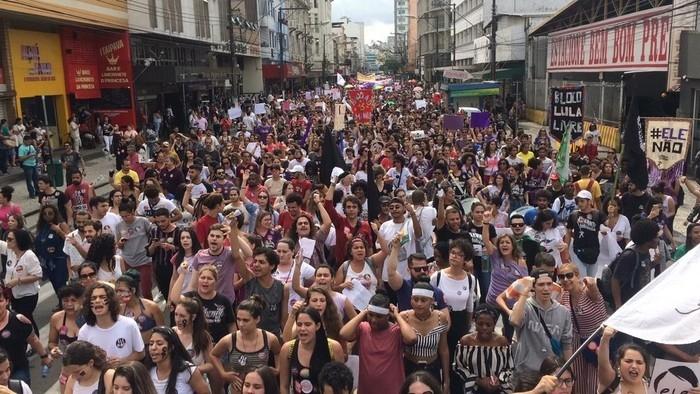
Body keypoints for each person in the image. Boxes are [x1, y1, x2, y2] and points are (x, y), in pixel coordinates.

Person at [340, 292, 417, 394]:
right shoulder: (363, 328)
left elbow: (412, 338)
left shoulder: (396, 331)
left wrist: (397, 316)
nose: (373, 320)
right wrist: (363, 312)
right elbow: (343, 334)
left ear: (387, 316)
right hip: (366, 390)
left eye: (379, 316)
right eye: (371, 315)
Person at [509, 271, 573, 391]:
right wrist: (525, 292)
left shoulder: (563, 312)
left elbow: (567, 345)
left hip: (551, 374)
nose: (546, 289)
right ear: (534, 286)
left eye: (549, 284)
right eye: (541, 284)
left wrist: (570, 373)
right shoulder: (524, 306)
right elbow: (515, 321)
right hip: (526, 373)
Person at [210, 296, 281, 394]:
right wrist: (223, 374)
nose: (241, 324)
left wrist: (278, 369)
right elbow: (213, 355)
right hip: (236, 390)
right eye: (238, 319)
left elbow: (278, 352)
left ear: (257, 319)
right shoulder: (230, 339)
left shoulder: (269, 338)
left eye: (246, 320)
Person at [557, 264, 608, 394]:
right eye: (561, 277)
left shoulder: (588, 291)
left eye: (569, 275)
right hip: (576, 342)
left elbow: (594, 290)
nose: (565, 279)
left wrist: (592, 284)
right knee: (577, 380)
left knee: (594, 381)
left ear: (577, 275)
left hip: (595, 340)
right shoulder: (564, 295)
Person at [77, 283, 145, 367]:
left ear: (111, 301)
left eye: (102, 297)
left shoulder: (129, 324)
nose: (97, 301)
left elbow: (141, 353)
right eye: (93, 298)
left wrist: (123, 361)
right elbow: (83, 362)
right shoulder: (84, 332)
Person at [279, 306, 345, 394]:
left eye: (307, 324)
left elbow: (342, 385)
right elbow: (284, 386)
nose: (302, 329)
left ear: (317, 326)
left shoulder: (333, 347)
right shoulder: (287, 349)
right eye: (299, 324)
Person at [399, 282, 449, 389]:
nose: (419, 303)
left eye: (423, 300)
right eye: (415, 299)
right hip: (409, 368)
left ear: (432, 301)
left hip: (433, 368)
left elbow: (443, 350)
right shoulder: (404, 317)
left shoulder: (441, 318)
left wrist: (446, 380)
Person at [454, 304, 513, 393]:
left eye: (488, 325)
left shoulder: (502, 342)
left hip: (498, 389)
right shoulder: (466, 341)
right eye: (480, 324)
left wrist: (499, 380)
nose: (484, 328)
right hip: (473, 389)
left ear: (494, 324)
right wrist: (478, 381)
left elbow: (510, 367)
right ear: (475, 322)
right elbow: (458, 367)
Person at [235, 242, 289, 337]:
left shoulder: (282, 288)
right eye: (255, 261)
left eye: (261, 262)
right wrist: (233, 231)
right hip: (249, 336)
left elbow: (283, 320)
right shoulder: (249, 278)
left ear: (272, 266)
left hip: (272, 338)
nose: (256, 265)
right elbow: (236, 256)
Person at [171, 265, 235, 343]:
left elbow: (231, 325)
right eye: (202, 278)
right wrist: (182, 274)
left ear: (215, 281)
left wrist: (233, 344)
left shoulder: (224, 301)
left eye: (209, 278)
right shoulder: (191, 297)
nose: (205, 281)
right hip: (195, 345)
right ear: (198, 280)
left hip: (219, 346)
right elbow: (174, 298)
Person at [610, 219, 661, 311]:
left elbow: (642, 269)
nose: (658, 240)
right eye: (656, 237)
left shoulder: (645, 252)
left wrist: (654, 263)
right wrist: (618, 305)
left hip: (638, 299)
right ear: (647, 240)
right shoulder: (629, 256)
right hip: (627, 301)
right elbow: (615, 280)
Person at [1, 229, 42, 337]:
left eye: (10, 239)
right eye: (6, 238)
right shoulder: (10, 251)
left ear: (19, 241)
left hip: (28, 294)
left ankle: (34, 339)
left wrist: (18, 281)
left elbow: (37, 275)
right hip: (14, 294)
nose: (7, 241)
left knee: (26, 317)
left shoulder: (29, 256)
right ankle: (26, 339)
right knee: (19, 317)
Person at [145, 326, 210, 394]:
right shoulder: (147, 372)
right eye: (151, 344)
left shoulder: (188, 371)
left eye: (159, 344)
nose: (153, 348)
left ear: (171, 347)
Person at [116, 200, 155, 300]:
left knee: (146, 290)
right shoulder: (119, 226)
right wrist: (120, 243)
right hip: (128, 261)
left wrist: (150, 248)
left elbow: (152, 235)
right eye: (122, 216)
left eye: (127, 215)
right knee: (131, 290)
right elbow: (118, 245)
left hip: (144, 259)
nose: (125, 219)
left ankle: (150, 310)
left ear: (133, 212)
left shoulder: (143, 221)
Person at [47, 284, 83, 390]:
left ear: (81, 300)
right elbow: (51, 342)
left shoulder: (90, 317)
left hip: (89, 368)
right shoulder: (56, 318)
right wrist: (54, 349)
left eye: (73, 300)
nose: (69, 304)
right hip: (67, 369)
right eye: (65, 300)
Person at [172, 298, 215, 384]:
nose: (178, 319)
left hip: (197, 383)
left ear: (193, 317)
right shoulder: (172, 333)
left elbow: (211, 365)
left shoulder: (203, 336)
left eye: (182, 316)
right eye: (176, 314)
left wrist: (191, 370)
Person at [565, 190, 606, 278]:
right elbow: (568, 232)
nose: (579, 203)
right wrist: (566, 250)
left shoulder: (598, 214)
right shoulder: (573, 215)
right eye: (578, 201)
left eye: (582, 201)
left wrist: (611, 214)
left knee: (591, 279)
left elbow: (609, 226)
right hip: (578, 250)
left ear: (589, 201)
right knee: (582, 278)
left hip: (594, 250)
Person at [116, 270, 164, 344]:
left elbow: (163, 331)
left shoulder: (151, 307)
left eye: (121, 291)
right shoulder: (119, 310)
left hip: (151, 350)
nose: (118, 294)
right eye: (117, 291)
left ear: (133, 290)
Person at [597, 327, 649, 394]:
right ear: (619, 363)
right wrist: (605, 339)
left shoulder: (650, 386)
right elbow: (603, 363)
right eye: (628, 361)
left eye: (639, 362)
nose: (634, 366)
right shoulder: (610, 382)